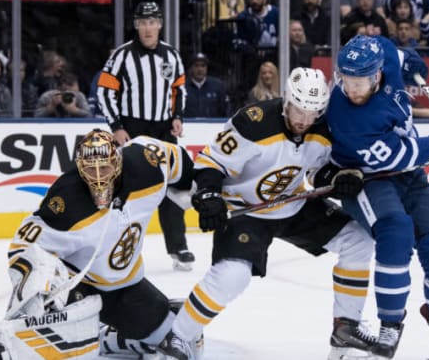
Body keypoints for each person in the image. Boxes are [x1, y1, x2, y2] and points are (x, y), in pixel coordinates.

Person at [159, 68, 377, 360]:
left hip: (292, 204)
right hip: (244, 209)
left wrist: (338, 179)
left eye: (311, 113)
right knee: (232, 276)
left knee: (358, 241)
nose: (303, 119)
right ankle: (179, 336)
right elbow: (211, 161)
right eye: (298, 109)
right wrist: (209, 195)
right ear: (287, 99)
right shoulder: (254, 122)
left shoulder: (323, 129)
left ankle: (345, 330)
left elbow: (319, 170)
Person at [0, 129, 196, 360]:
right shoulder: (66, 200)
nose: (98, 177)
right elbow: (22, 246)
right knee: (56, 332)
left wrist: (204, 189)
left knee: (179, 334)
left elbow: (180, 161)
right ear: (79, 167)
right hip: (75, 287)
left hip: (123, 285)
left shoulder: (147, 165)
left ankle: (109, 339)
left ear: (117, 163)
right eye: (89, 169)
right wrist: (40, 292)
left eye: (104, 168)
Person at [327, 35, 429, 359]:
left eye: (359, 82)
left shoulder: (382, 52)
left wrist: (415, 64)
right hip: (366, 178)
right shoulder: (346, 116)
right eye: (347, 80)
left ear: (377, 73)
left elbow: (404, 58)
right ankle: (390, 325)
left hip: (410, 176)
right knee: (395, 232)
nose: (352, 89)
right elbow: (407, 154)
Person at [97, 1, 195, 271]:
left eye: (153, 22)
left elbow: (179, 90)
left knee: (171, 188)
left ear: (160, 24)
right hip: (133, 128)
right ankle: (116, 246)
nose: (148, 28)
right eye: (143, 23)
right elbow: (105, 91)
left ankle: (178, 246)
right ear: (136, 26)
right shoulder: (122, 55)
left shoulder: (171, 55)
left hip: (163, 130)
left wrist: (178, 117)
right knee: (127, 188)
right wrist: (116, 126)